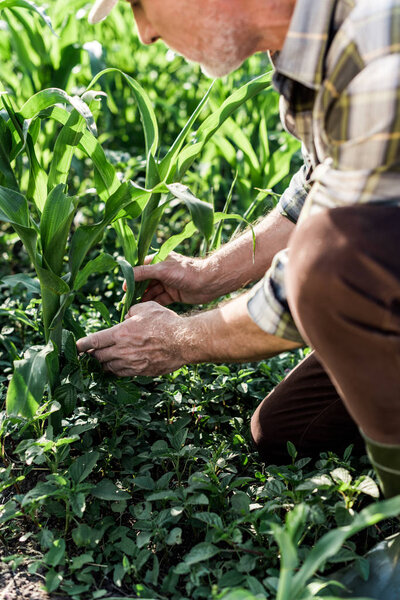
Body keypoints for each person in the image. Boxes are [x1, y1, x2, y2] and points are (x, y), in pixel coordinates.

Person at [78, 0, 400, 506]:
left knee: (330, 267)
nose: (143, 34)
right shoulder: (307, 45)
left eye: (141, 5)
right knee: (287, 429)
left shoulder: (380, 44)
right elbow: (319, 192)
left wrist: (178, 340)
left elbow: (326, 267)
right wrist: (206, 275)